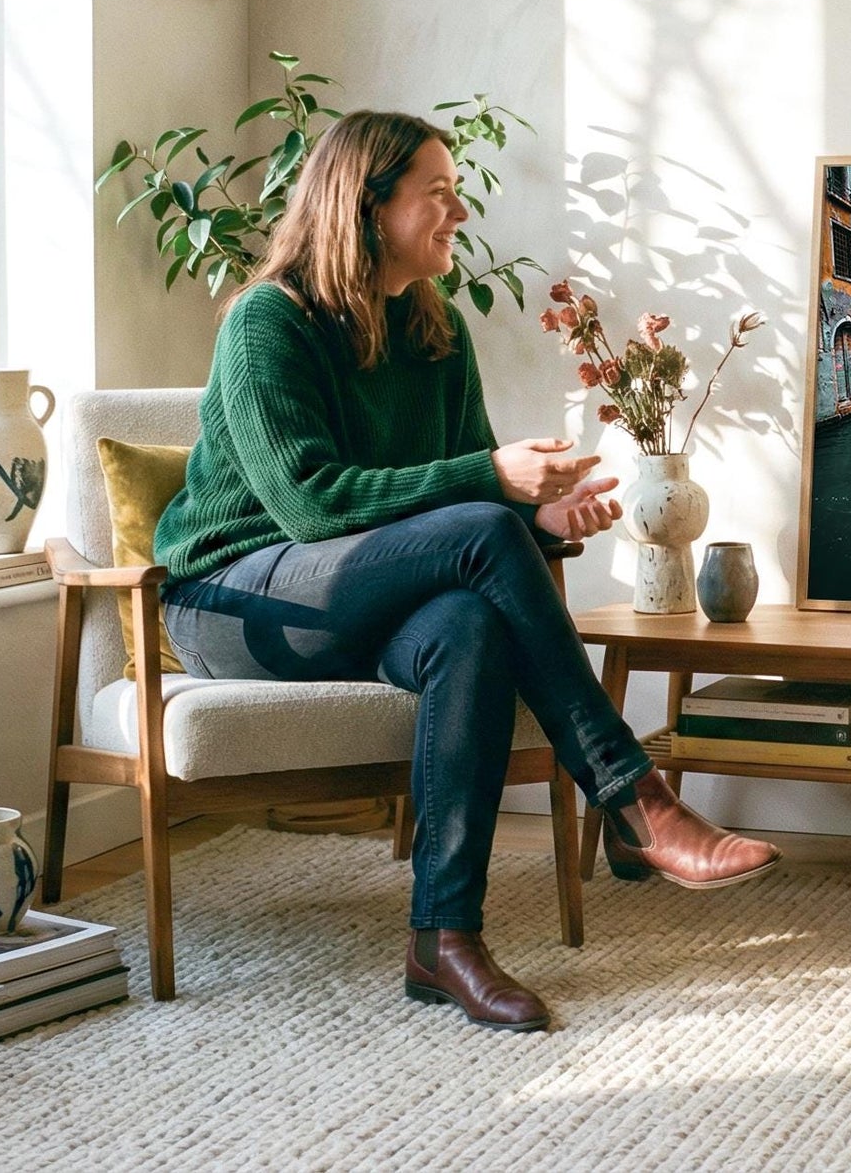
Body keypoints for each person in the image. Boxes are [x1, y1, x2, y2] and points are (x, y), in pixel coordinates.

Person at [154, 111, 780, 1033]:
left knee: (469, 626)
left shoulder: (434, 329)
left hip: (349, 597)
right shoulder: (267, 324)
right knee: (483, 525)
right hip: (235, 596)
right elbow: (311, 507)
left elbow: (462, 511)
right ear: (366, 208)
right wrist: (495, 490)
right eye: (436, 194)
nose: (459, 212)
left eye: (456, 192)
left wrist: (542, 515)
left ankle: (443, 940)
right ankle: (634, 798)